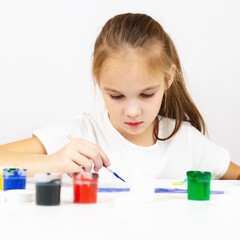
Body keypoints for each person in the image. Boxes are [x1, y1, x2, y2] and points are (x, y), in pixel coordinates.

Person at [0, 13, 239, 182]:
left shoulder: (186, 142)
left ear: (168, 79)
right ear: (99, 83)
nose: (132, 111)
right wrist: (50, 162)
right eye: (116, 96)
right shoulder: (82, 136)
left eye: (147, 94)